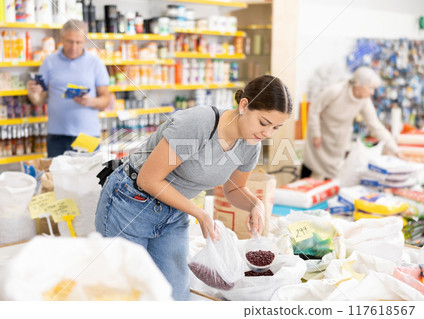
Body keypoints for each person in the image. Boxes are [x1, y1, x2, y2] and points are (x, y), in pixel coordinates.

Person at [95, 75, 293, 300]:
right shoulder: (200, 123)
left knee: (175, 296)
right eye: (263, 123)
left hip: (173, 211)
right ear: (244, 106)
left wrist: (255, 205)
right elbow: (148, 180)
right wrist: (199, 213)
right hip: (130, 202)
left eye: (276, 128)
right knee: (125, 294)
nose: (267, 133)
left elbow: (234, 189)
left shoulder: (251, 145)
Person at [27, 19, 110, 157]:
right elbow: (39, 100)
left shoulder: (96, 63)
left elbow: (106, 99)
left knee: (87, 177)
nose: (74, 47)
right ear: (62, 38)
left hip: (87, 135)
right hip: (57, 135)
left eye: (79, 42)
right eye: (69, 41)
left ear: (85, 41)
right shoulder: (49, 62)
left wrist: (90, 102)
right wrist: (33, 93)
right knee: (56, 177)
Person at [302, 66, 401, 180]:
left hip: (337, 141)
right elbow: (314, 109)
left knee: (332, 174)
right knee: (310, 165)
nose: (372, 92)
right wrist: (316, 134)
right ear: (358, 84)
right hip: (320, 135)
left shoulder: (364, 101)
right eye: (370, 88)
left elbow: (375, 126)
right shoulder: (336, 91)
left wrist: (395, 150)